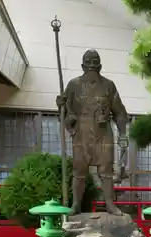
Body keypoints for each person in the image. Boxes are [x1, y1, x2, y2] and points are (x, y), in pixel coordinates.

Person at [56, 49, 129, 215]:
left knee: (106, 171)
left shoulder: (109, 85)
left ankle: (110, 204)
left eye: (95, 63)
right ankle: (76, 205)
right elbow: (64, 114)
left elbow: (120, 113)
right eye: (88, 63)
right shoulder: (73, 85)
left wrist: (123, 134)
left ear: (101, 66)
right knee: (79, 170)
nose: (92, 66)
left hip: (103, 131)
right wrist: (61, 106)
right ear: (82, 66)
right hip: (81, 131)